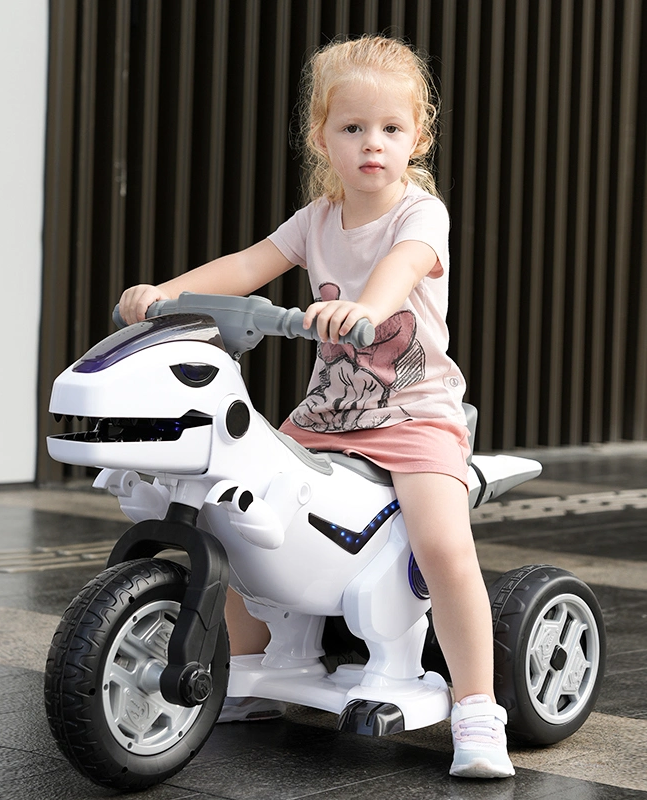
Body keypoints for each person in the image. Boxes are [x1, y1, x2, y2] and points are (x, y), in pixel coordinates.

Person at [118, 34, 514, 780]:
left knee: (442, 544)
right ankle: (250, 662)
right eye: (353, 128)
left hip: (414, 417)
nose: (373, 145)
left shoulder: (419, 215)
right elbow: (247, 266)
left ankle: (476, 705)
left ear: (417, 138)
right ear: (321, 138)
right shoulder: (317, 217)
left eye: (392, 130)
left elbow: (401, 271)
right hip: (328, 418)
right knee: (242, 518)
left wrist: (364, 305)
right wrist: (166, 295)